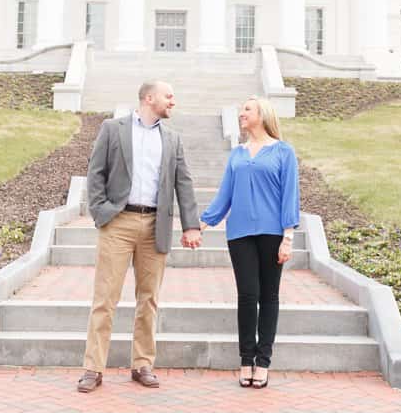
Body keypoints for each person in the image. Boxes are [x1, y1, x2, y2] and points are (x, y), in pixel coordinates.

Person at [77, 80, 202, 393]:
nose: (173, 101)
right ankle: (93, 368)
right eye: (168, 96)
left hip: (154, 226)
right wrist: (101, 211)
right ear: (150, 98)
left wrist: (191, 225)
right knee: (105, 298)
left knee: (149, 299)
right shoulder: (112, 128)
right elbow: (96, 174)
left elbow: (183, 184)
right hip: (118, 222)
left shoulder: (173, 139)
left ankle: (142, 364)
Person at [199, 96, 300, 389]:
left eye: (247, 109)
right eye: (242, 109)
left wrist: (288, 236)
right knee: (247, 295)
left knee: (268, 296)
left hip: (272, 233)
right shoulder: (238, 154)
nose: (242, 114)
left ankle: (263, 362)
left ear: (262, 115)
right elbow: (224, 195)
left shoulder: (283, 152)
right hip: (239, 233)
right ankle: (246, 360)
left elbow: (289, 196)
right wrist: (201, 224)